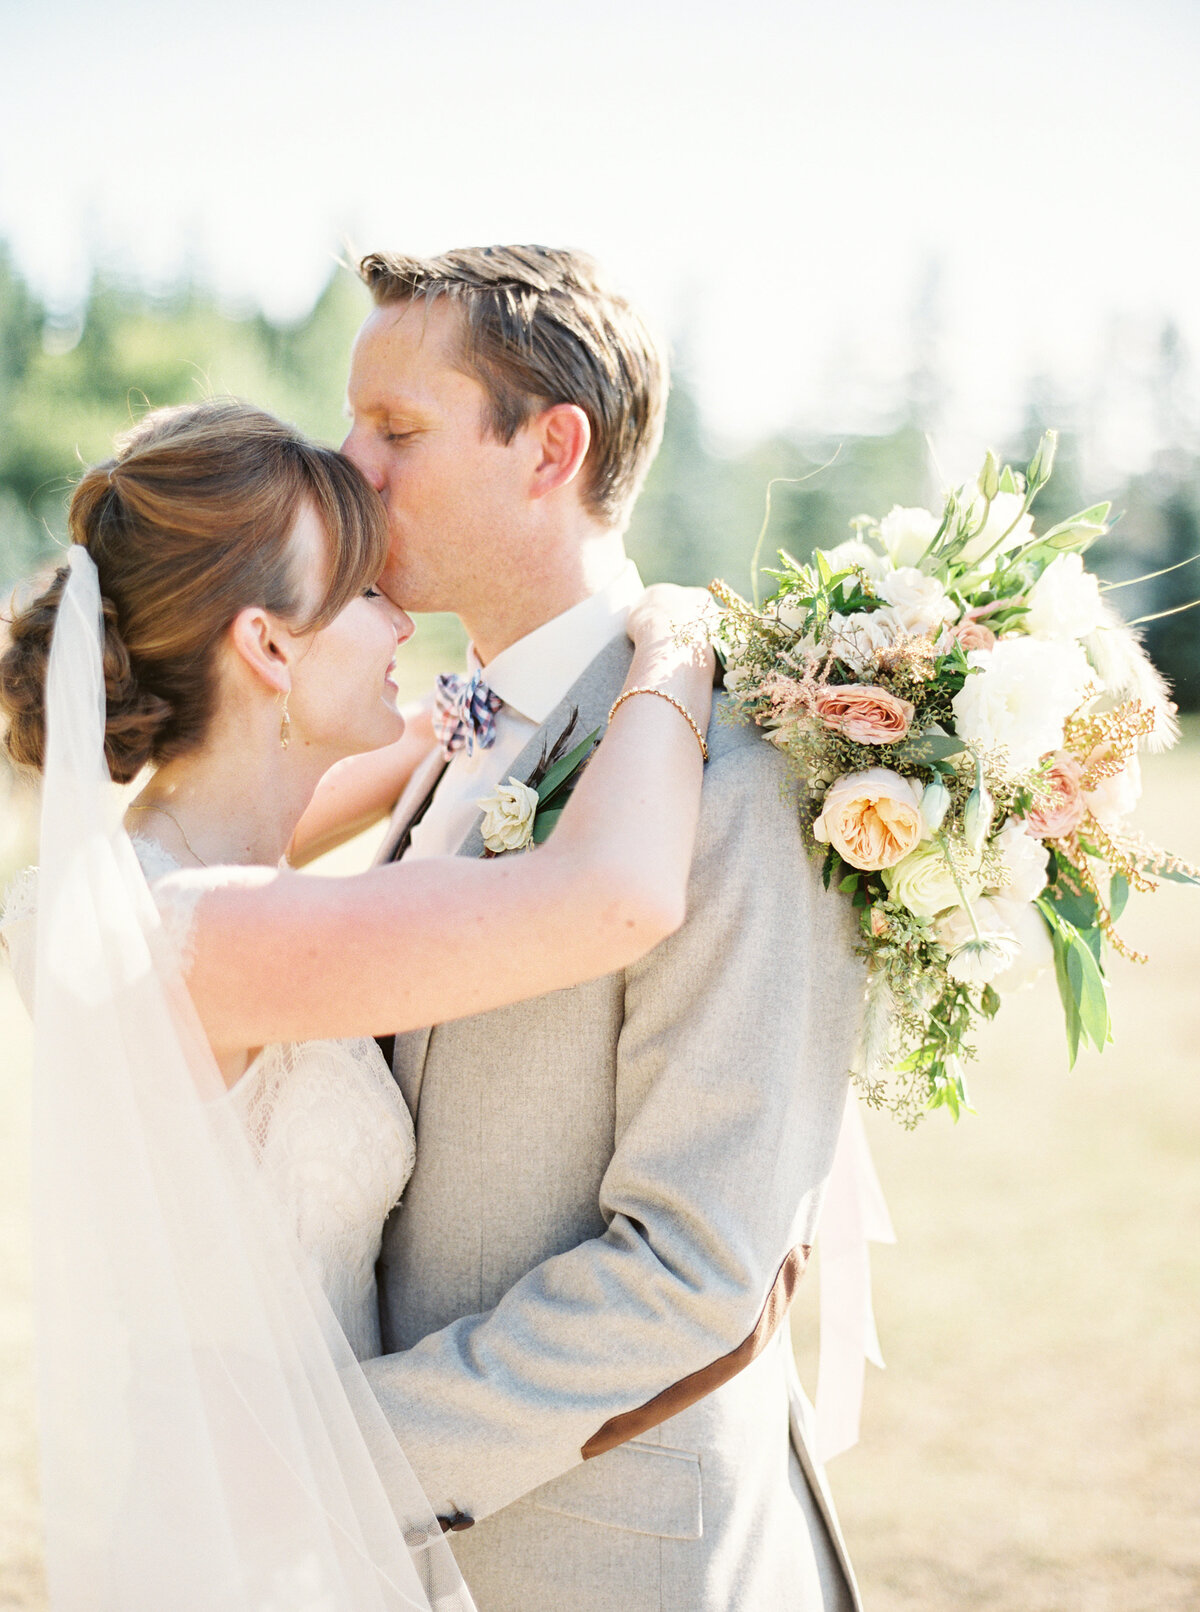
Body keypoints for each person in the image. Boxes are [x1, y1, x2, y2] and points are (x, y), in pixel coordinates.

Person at [0, 398, 715, 1611]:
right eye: (370, 592)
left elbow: (456, 729)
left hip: (277, 1513)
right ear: (271, 649)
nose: (406, 618)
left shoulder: (152, 867)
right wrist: (676, 644)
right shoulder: (202, 940)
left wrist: (534, 666)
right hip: (247, 1554)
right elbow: (620, 891)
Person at [337, 245, 867, 1612]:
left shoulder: (736, 776)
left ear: (549, 448)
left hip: (621, 1566)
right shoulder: (452, 728)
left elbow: (696, 1266)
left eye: (396, 431)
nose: (350, 471)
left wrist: (338, 1453)